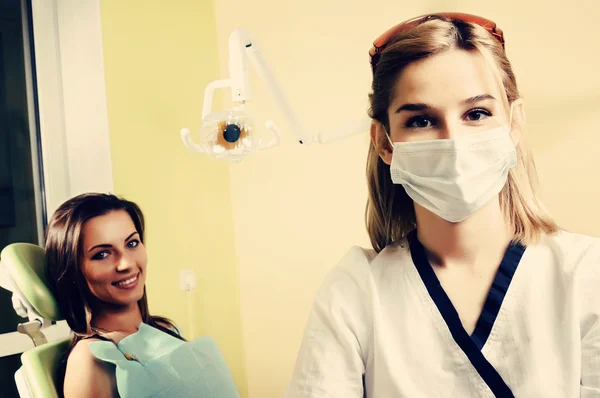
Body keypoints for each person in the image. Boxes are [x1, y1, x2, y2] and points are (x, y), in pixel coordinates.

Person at [285, 13, 600, 397]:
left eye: (477, 114)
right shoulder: (356, 292)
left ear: (514, 124)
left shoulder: (586, 276)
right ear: (385, 143)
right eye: (421, 121)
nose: (453, 142)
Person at [45, 193, 239, 398]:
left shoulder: (164, 329)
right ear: (73, 270)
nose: (127, 263)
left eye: (132, 243)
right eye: (102, 254)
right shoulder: (91, 358)